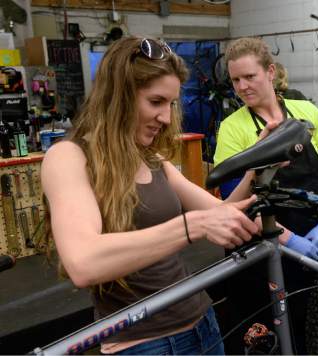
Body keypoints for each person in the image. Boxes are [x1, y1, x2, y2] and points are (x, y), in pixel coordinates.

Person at [41, 36, 261, 355]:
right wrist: (190, 226)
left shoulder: (152, 159)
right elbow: (83, 262)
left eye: (171, 104)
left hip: (203, 324)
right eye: (156, 102)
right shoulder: (70, 157)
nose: (167, 118)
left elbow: (225, 215)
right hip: (144, 344)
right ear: (119, 97)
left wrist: (257, 169)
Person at [213, 37, 318, 354]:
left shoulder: (305, 112)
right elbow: (238, 204)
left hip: (317, 243)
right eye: (235, 80)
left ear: (270, 72)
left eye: (249, 77)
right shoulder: (233, 128)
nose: (241, 87)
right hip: (263, 252)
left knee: (317, 334)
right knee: (267, 341)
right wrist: (289, 240)